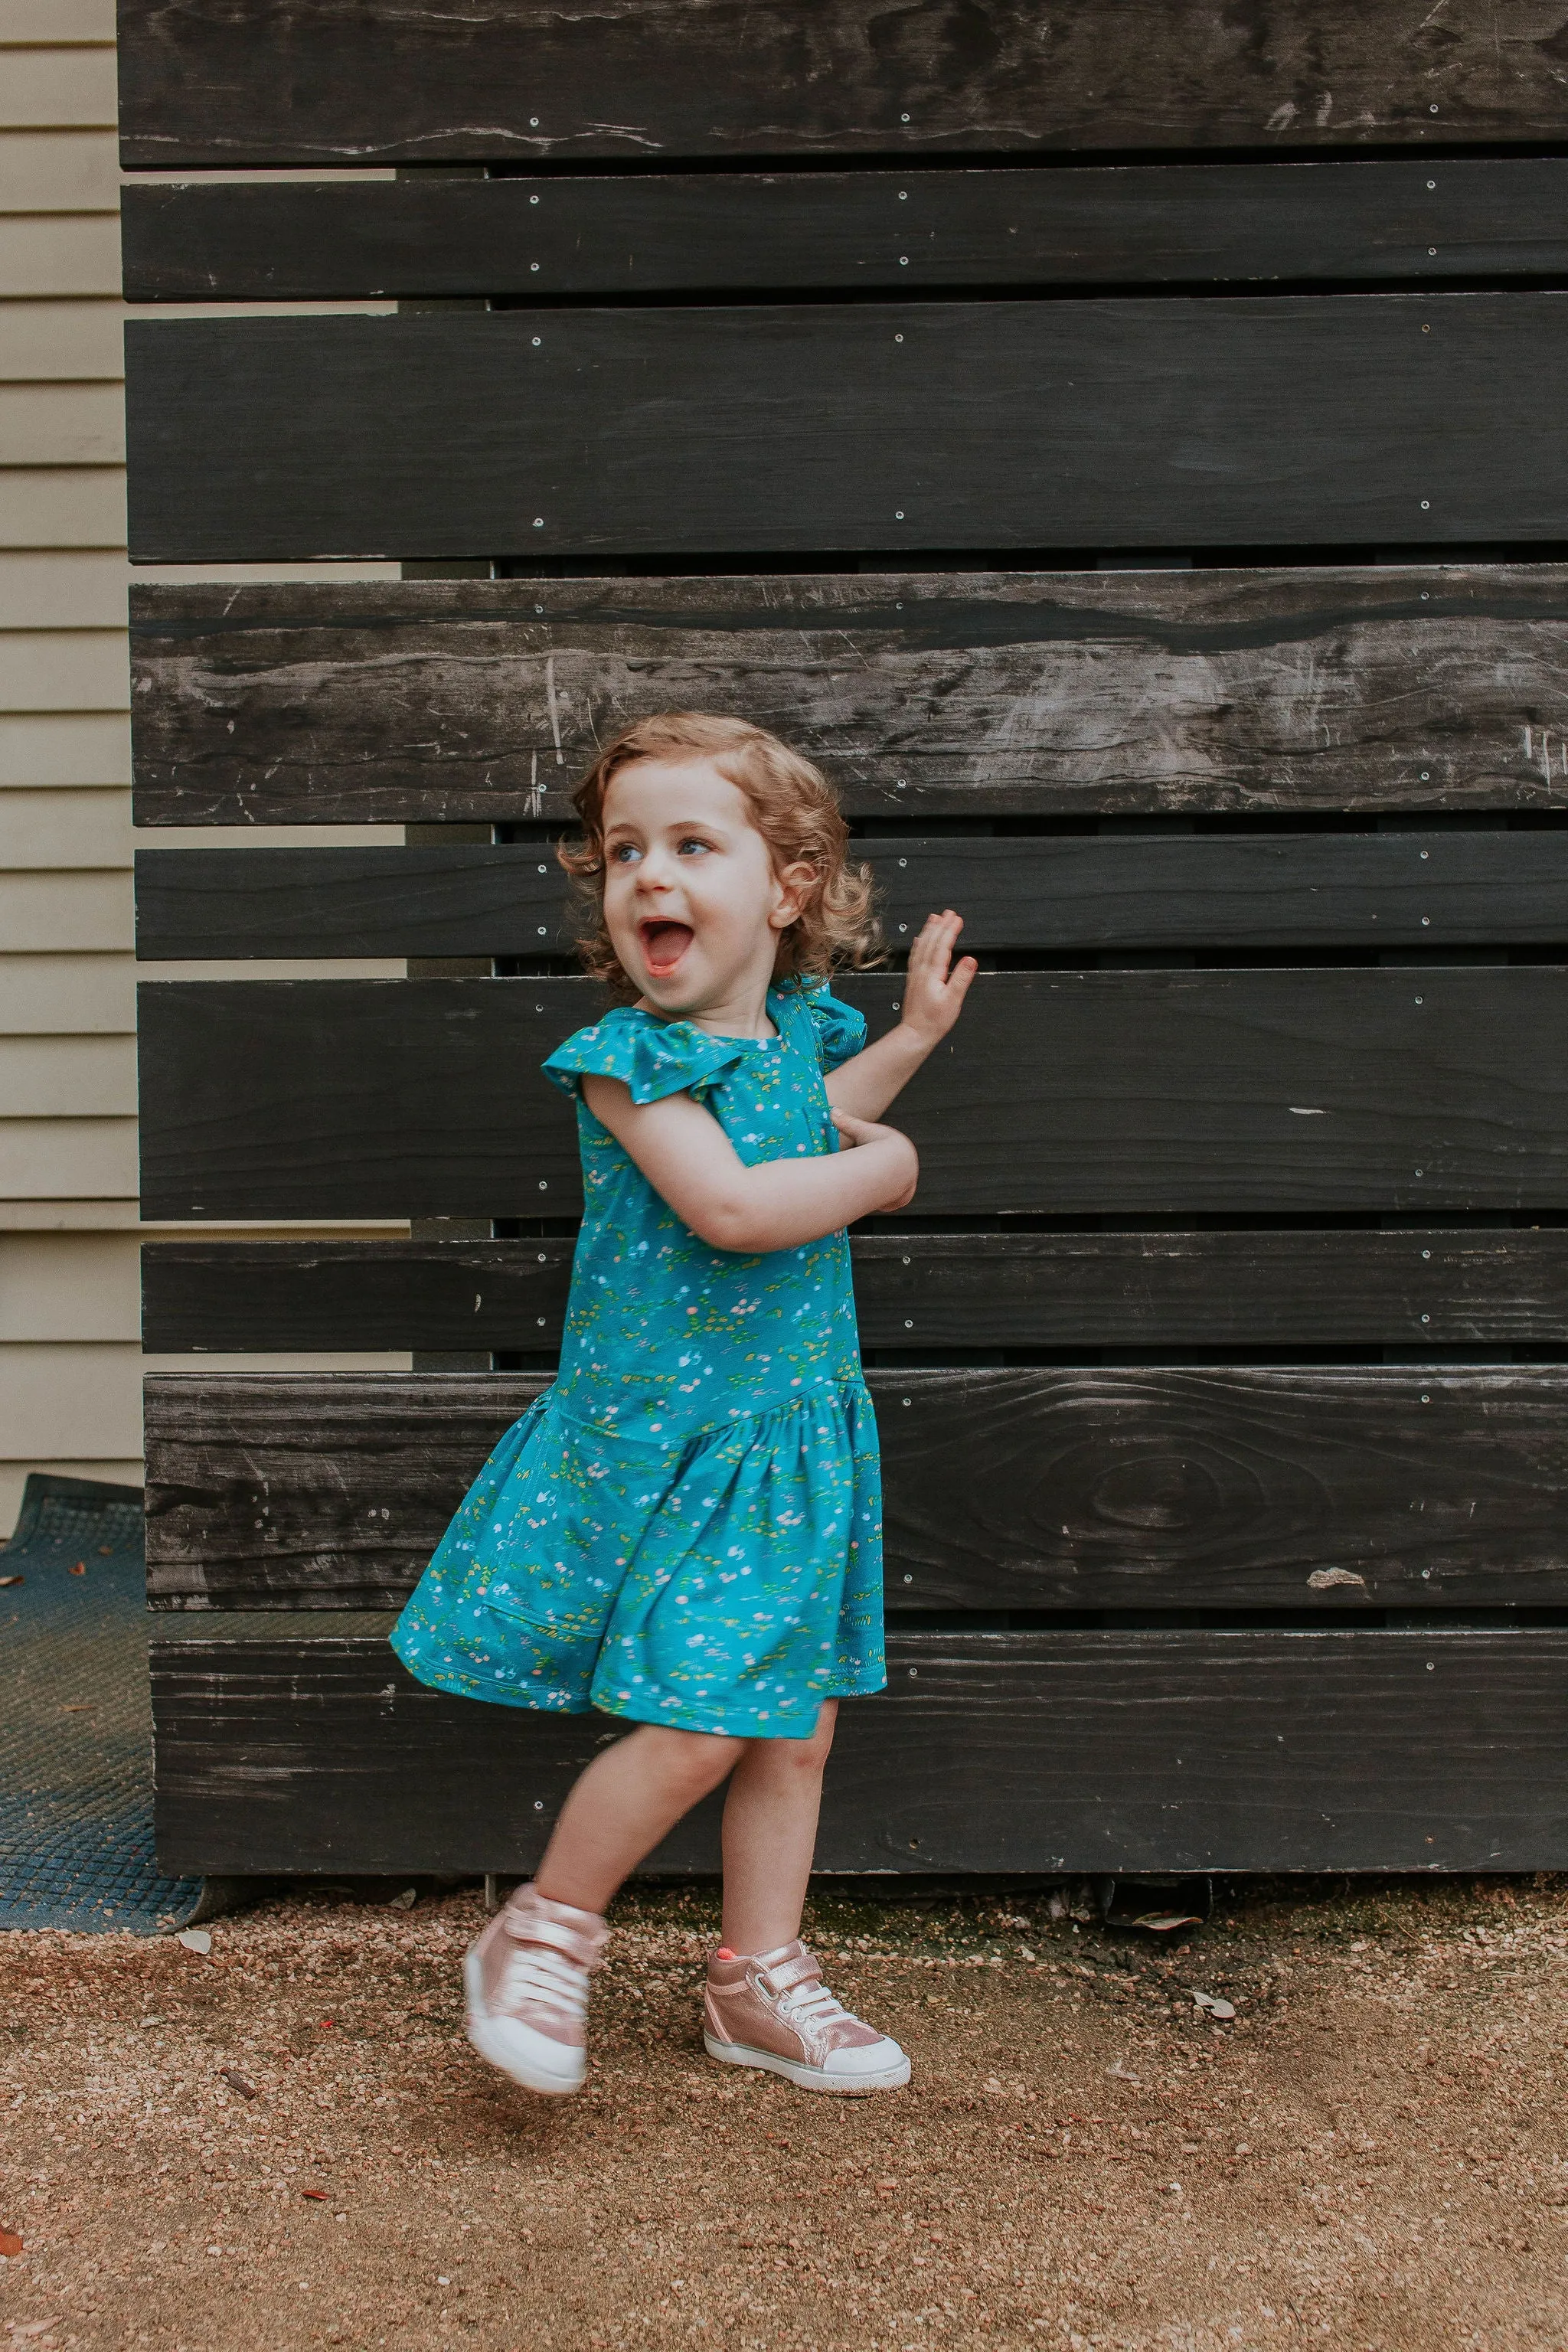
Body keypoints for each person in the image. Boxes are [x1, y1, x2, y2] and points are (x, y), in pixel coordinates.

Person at [390, 710, 974, 2098]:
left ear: (785, 889)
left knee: (793, 1715)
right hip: (672, 1439)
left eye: (691, 845)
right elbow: (733, 1206)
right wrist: (891, 1174)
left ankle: (754, 1981)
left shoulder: (782, 1039)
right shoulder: (625, 1063)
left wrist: (906, 1050)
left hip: (783, 1434)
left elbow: (796, 1127)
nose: (650, 874)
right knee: (712, 1716)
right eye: (624, 852)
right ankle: (543, 1931)